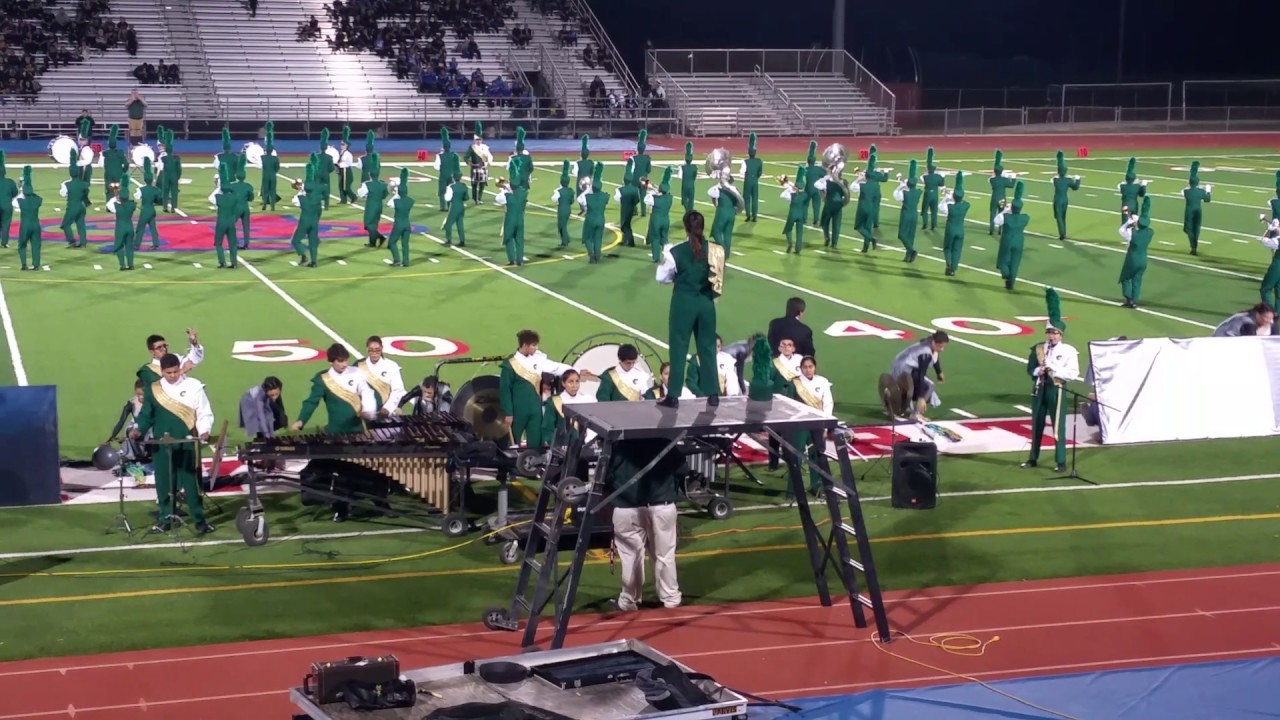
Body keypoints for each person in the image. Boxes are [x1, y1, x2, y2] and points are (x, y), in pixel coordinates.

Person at [129, 353, 216, 535]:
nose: (172, 376)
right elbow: (146, 415)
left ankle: (199, 521)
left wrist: (204, 430)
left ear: (179, 369)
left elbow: (203, 412)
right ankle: (165, 519)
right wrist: (139, 429)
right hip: (162, 445)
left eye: (175, 372)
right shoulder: (153, 389)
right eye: (168, 373)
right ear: (162, 371)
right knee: (164, 484)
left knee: (191, 484)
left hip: (187, 444)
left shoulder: (194, 386)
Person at [606, 437, 687, 612]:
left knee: (631, 557)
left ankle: (629, 601)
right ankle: (671, 599)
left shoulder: (619, 443)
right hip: (662, 505)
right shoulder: (664, 441)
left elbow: (606, 475)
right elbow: (682, 469)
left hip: (626, 507)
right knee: (664, 555)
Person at [656, 211, 723, 408]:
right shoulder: (715, 250)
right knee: (708, 348)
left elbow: (661, 277)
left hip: (683, 302)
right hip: (706, 303)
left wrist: (677, 278)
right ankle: (713, 393)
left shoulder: (674, 251)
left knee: (679, 347)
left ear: (686, 227)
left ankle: (673, 395)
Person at [1023, 289, 1080, 473]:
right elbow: (1029, 369)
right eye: (1049, 332)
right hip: (1040, 389)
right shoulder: (1039, 348)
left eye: (1055, 333)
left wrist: (1053, 369)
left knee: (1057, 426)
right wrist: (1038, 370)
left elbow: (1072, 373)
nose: (1052, 336)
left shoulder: (1069, 351)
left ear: (1061, 334)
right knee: (1036, 424)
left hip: (1057, 389)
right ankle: (1033, 458)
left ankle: (1061, 461)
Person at [500, 329, 581, 448]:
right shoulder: (510, 364)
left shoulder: (538, 358)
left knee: (537, 441)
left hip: (535, 410)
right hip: (517, 411)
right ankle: (511, 467)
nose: (536, 348)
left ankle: (534, 464)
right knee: (512, 444)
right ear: (524, 345)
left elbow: (555, 367)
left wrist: (577, 371)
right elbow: (505, 390)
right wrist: (508, 413)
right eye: (533, 345)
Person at [292, 343, 377, 433]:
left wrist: (368, 410)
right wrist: (301, 420)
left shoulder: (356, 372)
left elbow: (367, 392)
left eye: (345, 360)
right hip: (335, 430)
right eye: (340, 361)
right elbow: (312, 402)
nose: (344, 364)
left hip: (357, 428)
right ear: (331, 362)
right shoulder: (323, 379)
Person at [882, 331, 949, 421]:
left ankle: (898, 404)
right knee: (929, 385)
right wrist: (921, 397)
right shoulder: (925, 353)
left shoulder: (930, 343)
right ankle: (916, 413)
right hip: (904, 368)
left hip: (902, 364)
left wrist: (939, 372)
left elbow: (935, 357)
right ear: (934, 342)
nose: (942, 349)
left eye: (943, 347)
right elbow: (922, 374)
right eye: (940, 346)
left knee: (920, 386)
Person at [792, 355, 835, 496]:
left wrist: (825, 424)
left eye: (811, 367)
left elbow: (828, 403)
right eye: (805, 367)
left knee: (817, 455)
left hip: (817, 424)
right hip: (799, 425)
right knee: (795, 456)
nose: (808, 370)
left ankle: (817, 487)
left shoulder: (822, 382)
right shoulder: (794, 383)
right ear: (801, 368)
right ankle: (792, 490)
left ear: (814, 367)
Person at [357, 336, 406, 416]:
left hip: (384, 414)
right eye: (371, 350)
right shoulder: (359, 365)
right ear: (367, 349)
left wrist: (387, 408)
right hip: (363, 414)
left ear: (382, 349)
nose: (374, 353)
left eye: (377, 350)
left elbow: (398, 390)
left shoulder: (391, 366)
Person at [1119, 196, 1154, 308]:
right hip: (1143, 260)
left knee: (1125, 278)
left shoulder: (1133, 234)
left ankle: (1129, 299)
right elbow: (1144, 217)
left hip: (1132, 259)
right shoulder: (1150, 232)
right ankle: (1135, 300)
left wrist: (1129, 221)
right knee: (1137, 280)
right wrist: (1137, 219)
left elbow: (1121, 230)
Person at [995, 181, 1030, 290]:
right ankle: (1011, 282)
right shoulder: (1025, 217)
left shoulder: (1006, 217)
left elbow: (996, 220)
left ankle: (1006, 275)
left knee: (1002, 261)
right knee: (1015, 263)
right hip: (1019, 240)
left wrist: (1005, 210)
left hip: (1007, 239)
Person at [108, 379, 149, 462]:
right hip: (135, 426)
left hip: (149, 427)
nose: (141, 397)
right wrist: (111, 438)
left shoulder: (153, 402)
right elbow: (121, 421)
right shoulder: (131, 403)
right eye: (139, 394)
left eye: (144, 394)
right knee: (132, 432)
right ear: (135, 392)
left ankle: (149, 455)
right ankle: (138, 456)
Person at [357, 152, 389, 248]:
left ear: (370, 174)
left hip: (371, 205)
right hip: (379, 204)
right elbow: (385, 194)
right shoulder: (383, 184)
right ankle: (372, 242)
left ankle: (381, 237)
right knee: (374, 224)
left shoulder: (367, 184)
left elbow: (360, 193)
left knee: (368, 224)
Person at [942, 172, 971, 276]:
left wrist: (947, 197)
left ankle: (948, 265)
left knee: (947, 248)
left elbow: (941, 206)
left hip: (950, 228)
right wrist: (955, 196)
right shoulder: (966, 206)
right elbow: (965, 202)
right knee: (957, 249)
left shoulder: (950, 207)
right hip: (960, 229)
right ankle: (953, 268)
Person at [14, 166, 42, 272]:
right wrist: (28, 183)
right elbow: (37, 197)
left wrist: (21, 188)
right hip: (35, 225)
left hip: (25, 225)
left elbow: (15, 202)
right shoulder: (38, 200)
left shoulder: (20, 201)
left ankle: (24, 264)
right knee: (36, 245)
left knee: (22, 245)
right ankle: (36, 265)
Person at [893, 160, 922, 262]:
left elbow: (896, 194)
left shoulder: (904, 193)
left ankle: (911, 250)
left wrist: (901, 184)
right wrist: (906, 182)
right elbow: (913, 186)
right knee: (910, 236)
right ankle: (908, 255)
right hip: (914, 214)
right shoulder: (918, 192)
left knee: (902, 235)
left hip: (906, 214)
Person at [1051, 150, 1082, 240]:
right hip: (1065, 199)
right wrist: (1078, 180)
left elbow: (1054, 179)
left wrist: (1059, 160)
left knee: (1059, 217)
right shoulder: (1068, 180)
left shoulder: (1055, 180)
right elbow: (1075, 187)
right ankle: (1064, 232)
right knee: (1063, 217)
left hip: (1057, 199)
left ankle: (1062, 234)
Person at [1182, 161, 1212, 255]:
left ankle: (1193, 246)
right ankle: (1194, 246)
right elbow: (1207, 200)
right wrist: (1208, 191)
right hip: (1198, 211)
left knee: (1188, 229)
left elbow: (1186, 189)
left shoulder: (1186, 192)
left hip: (1189, 212)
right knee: (1196, 229)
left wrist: (1193, 171)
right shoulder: (1200, 192)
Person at [386, 168, 414, 266]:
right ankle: (406, 262)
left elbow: (389, 204)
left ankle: (397, 260)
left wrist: (396, 193)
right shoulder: (411, 201)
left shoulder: (396, 201)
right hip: (407, 224)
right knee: (405, 244)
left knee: (392, 242)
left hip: (398, 224)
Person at [646, 167, 674, 262]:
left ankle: (656, 257)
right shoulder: (670, 198)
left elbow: (646, 200)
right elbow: (664, 192)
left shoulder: (654, 198)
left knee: (655, 238)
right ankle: (668, 255)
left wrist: (651, 191)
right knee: (665, 238)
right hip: (666, 220)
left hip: (656, 220)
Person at [987, 150, 1017, 235]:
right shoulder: (1004, 180)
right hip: (1002, 198)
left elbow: (992, 177)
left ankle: (991, 229)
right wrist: (1014, 178)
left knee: (992, 213)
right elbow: (1011, 185)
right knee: (1002, 213)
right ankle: (1001, 229)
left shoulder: (992, 180)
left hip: (994, 198)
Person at [782, 167, 808, 254]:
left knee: (788, 229)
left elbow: (782, 195)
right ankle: (798, 249)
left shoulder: (791, 195)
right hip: (801, 214)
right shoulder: (805, 195)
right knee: (799, 231)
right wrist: (789, 183)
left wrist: (788, 188)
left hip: (792, 213)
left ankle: (790, 243)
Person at [465, 122, 492, 204]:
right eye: (477, 140)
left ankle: (479, 198)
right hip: (475, 168)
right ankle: (474, 198)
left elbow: (489, 156)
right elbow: (466, 157)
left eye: (479, 140)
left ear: (482, 140)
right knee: (474, 184)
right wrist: (469, 163)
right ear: (474, 140)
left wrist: (488, 163)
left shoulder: (485, 147)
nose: (478, 141)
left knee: (482, 184)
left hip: (483, 167)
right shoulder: (472, 148)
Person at [920, 147, 946, 231]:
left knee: (925, 210)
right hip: (935, 194)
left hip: (927, 193)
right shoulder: (938, 177)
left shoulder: (925, 176)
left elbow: (922, 178)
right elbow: (942, 184)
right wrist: (942, 177)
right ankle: (933, 225)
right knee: (934, 211)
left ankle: (925, 224)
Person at [739, 133, 763, 222]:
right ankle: (755, 215)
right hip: (755, 181)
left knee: (747, 198)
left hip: (748, 181)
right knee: (755, 198)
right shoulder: (759, 161)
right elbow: (760, 172)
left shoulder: (745, 162)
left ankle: (748, 214)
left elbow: (742, 172)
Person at [1259, 216, 1280, 310]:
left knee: (1265, 289)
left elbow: (1264, 240)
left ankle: (1269, 313)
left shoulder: (1277, 240)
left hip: (1278, 264)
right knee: (1279, 290)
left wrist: (1269, 229)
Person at [552, 160, 575, 247]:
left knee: (561, 225)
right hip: (568, 209)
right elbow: (572, 201)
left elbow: (554, 199)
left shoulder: (559, 191)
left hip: (561, 209)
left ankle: (565, 241)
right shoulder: (571, 190)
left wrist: (556, 191)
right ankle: (566, 239)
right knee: (563, 224)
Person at [260, 121, 281, 211]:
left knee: (265, 190)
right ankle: (272, 206)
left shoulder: (263, 157)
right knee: (273, 190)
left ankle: (265, 203)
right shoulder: (275, 158)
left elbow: (262, 166)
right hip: (273, 175)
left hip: (265, 175)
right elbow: (277, 168)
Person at [337, 125, 357, 204]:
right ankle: (343, 200)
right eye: (341, 144)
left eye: (343, 144)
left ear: (347, 145)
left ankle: (353, 197)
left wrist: (338, 164)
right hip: (342, 171)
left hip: (346, 171)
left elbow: (345, 162)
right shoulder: (342, 152)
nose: (341, 145)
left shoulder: (348, 154)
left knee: (345, 187)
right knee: (341, 186)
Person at [679, 141, 698, 214]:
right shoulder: (694, 167)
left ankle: (687, 210)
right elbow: (694, 176)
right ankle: (690, 211)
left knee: (684, 198)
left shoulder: (683, 167)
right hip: (691, 184)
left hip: (684, 184)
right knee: (691, 199)